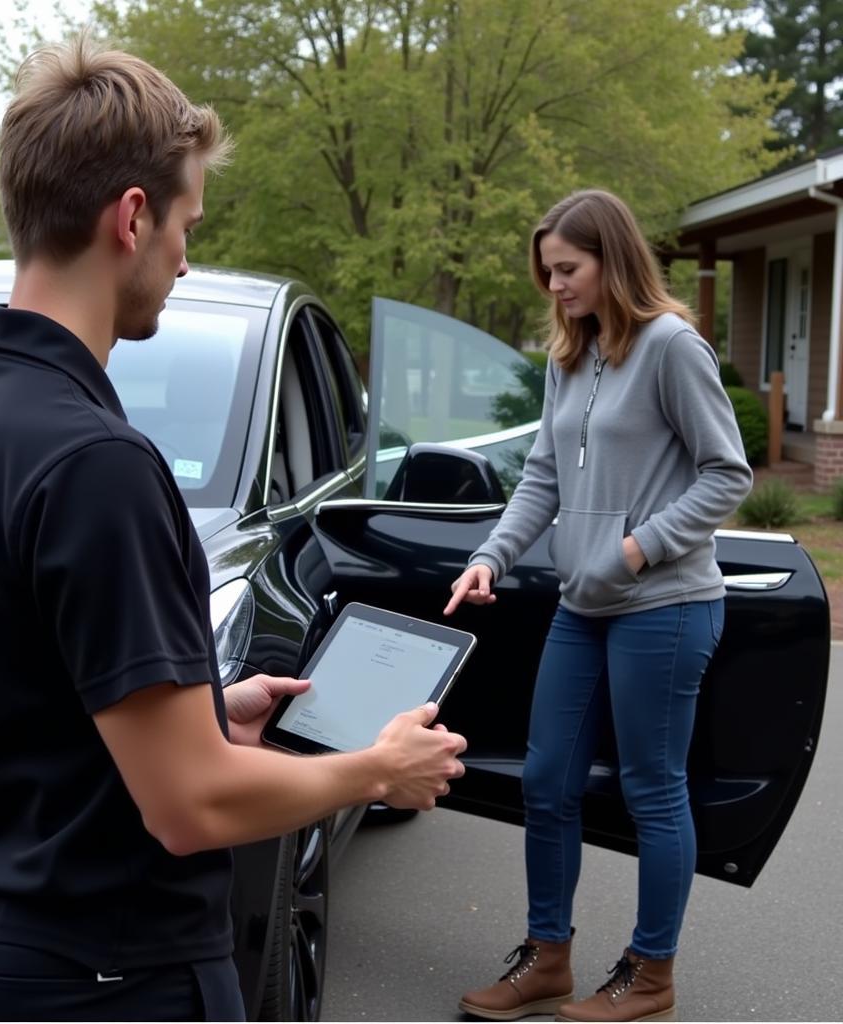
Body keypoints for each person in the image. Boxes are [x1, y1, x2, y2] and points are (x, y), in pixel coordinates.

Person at [0, 36, 467, 1023]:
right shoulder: (99, 466)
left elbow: (21, 702)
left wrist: (206, 706)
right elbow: (187, 805)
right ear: (131, 217)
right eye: (185, 224)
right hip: (106, 977)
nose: (184, 258)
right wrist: (373, 770)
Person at [445, 189, 751, 1023]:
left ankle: (651, 976)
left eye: (568, 270)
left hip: (665, 603)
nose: (555, 287)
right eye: (547, 272)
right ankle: (547, 958)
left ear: (612, 263)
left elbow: (728, 472)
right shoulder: (568, 357)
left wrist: (635, 547)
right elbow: (542, 477)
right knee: (546, 781)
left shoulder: (671, 349)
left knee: (654, 790)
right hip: (583, 606)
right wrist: (489, 556)